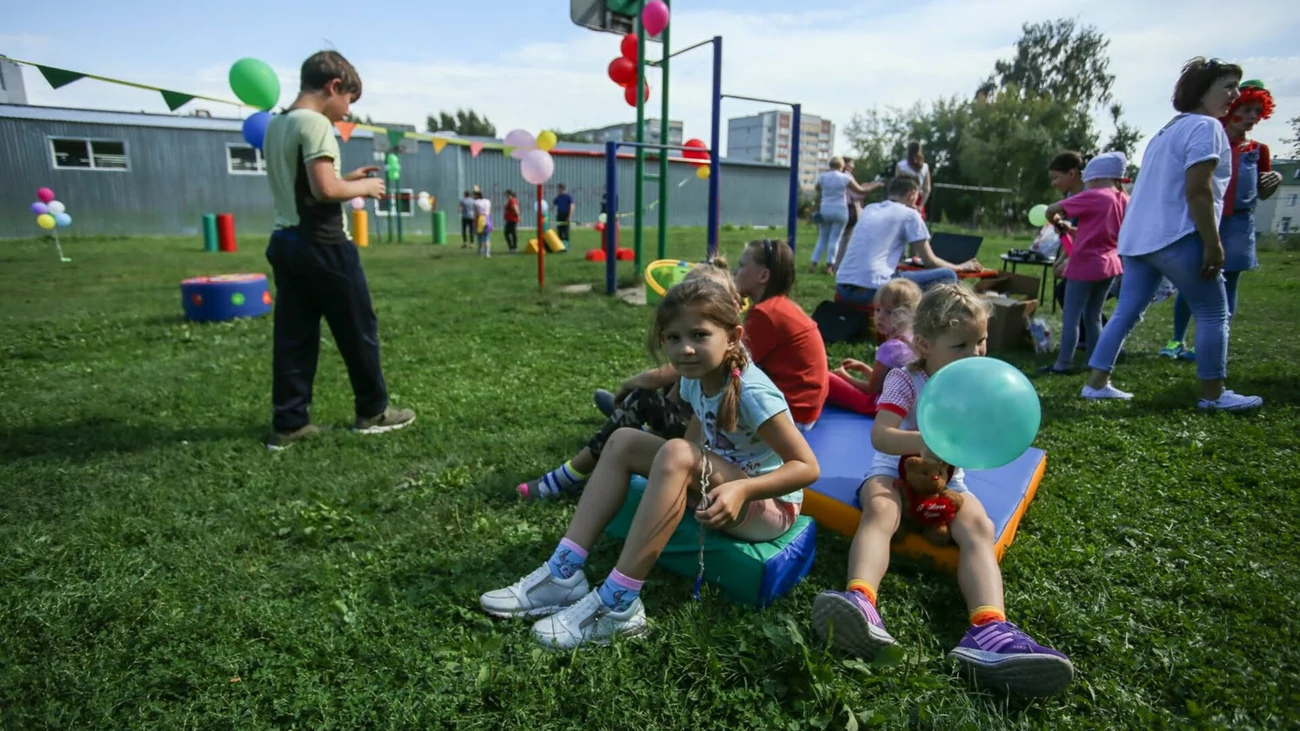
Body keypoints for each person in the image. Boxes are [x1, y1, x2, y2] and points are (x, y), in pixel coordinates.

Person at [482, 278, 819, 650]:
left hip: (769, 505)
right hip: (722, 483)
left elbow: (805, 467)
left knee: (674, 453)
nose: (685, 349)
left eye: (699, 335)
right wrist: (678, 483)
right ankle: (563, 573)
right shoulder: (697, 378)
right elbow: (693, 440)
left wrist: (742, 489)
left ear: (733, 336)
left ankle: (619, 606)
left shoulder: (753, 392)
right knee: (623, 440)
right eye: (672, 338)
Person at [811, 284, 1074, 697]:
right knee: (881, 512)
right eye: (961, 344)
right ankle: (860, 599)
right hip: (892, 471)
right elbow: (881, 436)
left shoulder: (982, 384)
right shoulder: (906, 379)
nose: (977, 353)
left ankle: (990, 629)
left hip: (949, 481)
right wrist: (923, 441)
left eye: (981, 340)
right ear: (924, 344)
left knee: (979, 526)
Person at [1084, 57, 1262, 410]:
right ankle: (1213, 395)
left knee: (1126, 312)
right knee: (1213, 312)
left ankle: (1096, 383)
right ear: (1202, 91)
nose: (1235, 95)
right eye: (1227, 87)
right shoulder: (1206, 128)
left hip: (1138, 239)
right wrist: (1212, 242)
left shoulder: (1163, 133)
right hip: (1178, 236)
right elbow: (1198, 190)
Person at [261, 50, 415, 450]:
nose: (346, 112)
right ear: (334, 87)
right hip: (324, 244)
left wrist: (345, 177)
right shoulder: (316, 124)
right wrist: (362, 188)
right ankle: (373, 411)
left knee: (295, 335)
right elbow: (324, 191)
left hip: (286, 240)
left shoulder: (278, 125)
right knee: (358, 328)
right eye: (348, 101)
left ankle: (289, 423)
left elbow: (307, 187)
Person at [518, 261, 738, 500]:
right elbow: (674, 401)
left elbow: (663, 383)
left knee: (643, 401)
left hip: (716, 460)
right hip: (694, 446)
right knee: (642, 409)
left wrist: (629, 390)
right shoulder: (697, 360)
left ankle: (567, 476)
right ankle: (620, 427)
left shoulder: (722, 360)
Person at [1162, 79, 1281, 360]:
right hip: (1208, 219)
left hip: (1240, 224)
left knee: (1229, 285)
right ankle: (1176, 341)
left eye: (1257, 112)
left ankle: (1212, 347)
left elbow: (1261, 192)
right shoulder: (1212, 139)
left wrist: (1273, 181)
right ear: (1232, 109)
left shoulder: (1258, 150)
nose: (1252, 118)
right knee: (1192, 281)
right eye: (1247, 110)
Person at [1039, 152, 1128, 374]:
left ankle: (1063, 363)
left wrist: (1056, 222)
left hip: (1085, 264)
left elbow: (1051, 210)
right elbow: (1101, 231)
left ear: (1095, 178)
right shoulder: (1122, 198)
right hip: (1110, 264)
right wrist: (1071, 229)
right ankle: (1093, 361)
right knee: (1093, 314)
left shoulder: (1094, 195)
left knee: (1072, 316)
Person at [834, 176, 981, 306]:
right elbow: (930, 261)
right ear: (912, 194)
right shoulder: (910, 214)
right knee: (948, 276)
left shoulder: (870, 209)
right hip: (873, 290)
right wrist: (962, 266)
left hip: (843, 286)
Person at [733, 239, 828, 431]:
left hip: (791, 416)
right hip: (805, 410)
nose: (736, 272)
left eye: (742, 266)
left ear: (763, 275)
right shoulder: (779, 306)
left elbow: (727, 361)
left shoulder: (765, 314)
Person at [826, 278, 922, 415]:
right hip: (905, 406)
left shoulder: (889, 348)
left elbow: (872, 389)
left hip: (880, 407)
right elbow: (889, 381)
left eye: (889, 312)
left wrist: (844, 376)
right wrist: (863, 368)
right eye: (877, 309)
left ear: (908, 314)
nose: (879, 317)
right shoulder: (912, 340)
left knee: (827, 378)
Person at [810, 157, 882, 275]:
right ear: (842, 166)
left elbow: (817, 188)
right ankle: (829, 266)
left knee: (822, 238)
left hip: (825, 209)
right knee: (835, 239)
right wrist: (876, 185)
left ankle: (813, 264)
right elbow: (861, 191)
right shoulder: (845, 178)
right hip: (840, 210)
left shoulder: (823, 177)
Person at [896, 141, 932, 220]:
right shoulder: (925, 167)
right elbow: (927, 189)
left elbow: (897, 186)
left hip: (903, 198)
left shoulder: (901, 166)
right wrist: (921, 205)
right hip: (918, 198)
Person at [473, 189, 492, 257]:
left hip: (479, 219)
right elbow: (489, 211)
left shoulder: (475, 202)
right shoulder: (488, 201)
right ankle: (487, 253)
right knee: (487, 237)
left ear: (477, 195)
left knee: (479, 238)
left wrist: (474, 223)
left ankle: (479, 253)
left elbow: (475, 213)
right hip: (487, 218)